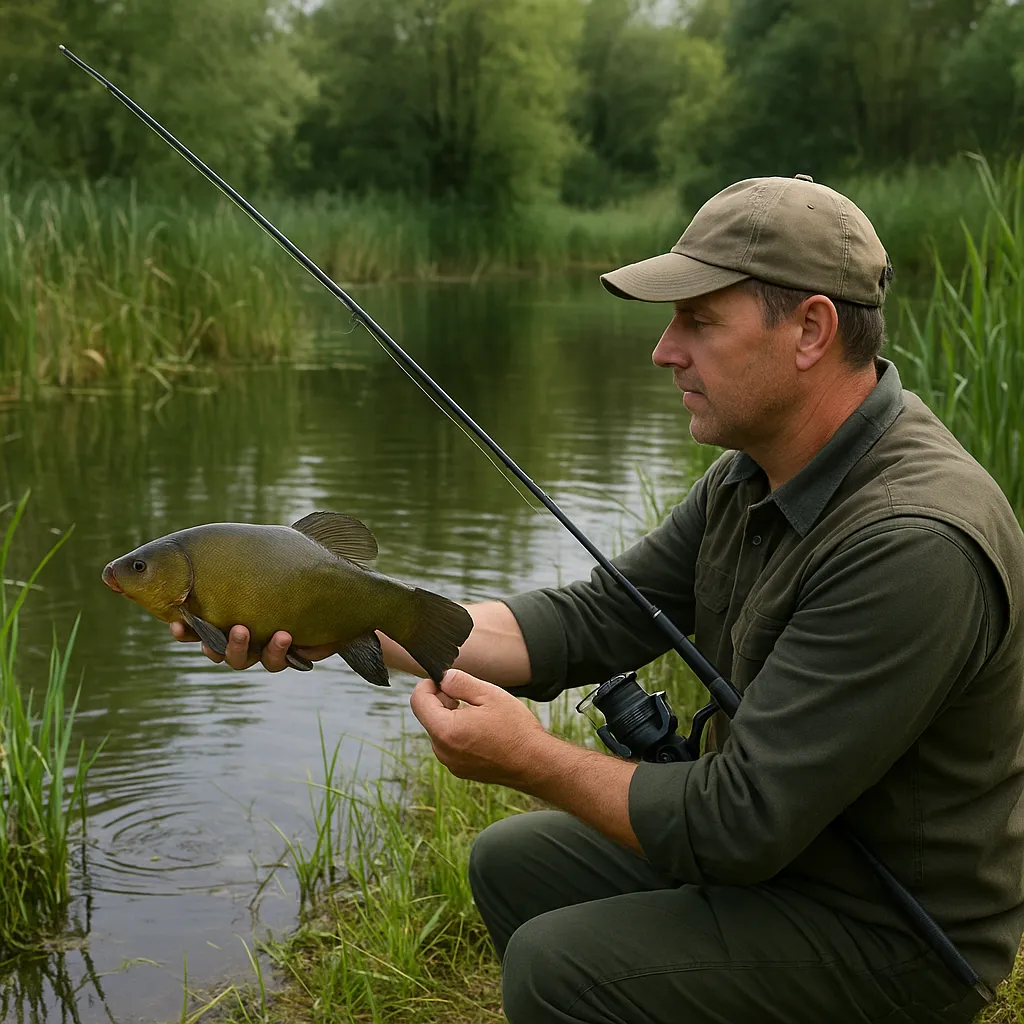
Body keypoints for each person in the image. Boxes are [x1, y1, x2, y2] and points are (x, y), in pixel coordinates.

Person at [173, 174, 1024, 1024]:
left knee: (556, 969)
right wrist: (353, 623)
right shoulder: (756, 472)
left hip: (894, 934)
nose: (664, 349)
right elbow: (595, 617)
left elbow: (739, 822)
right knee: (513, 864)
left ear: (810, 330)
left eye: (698, 319)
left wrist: (532, 758)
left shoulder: (913, 542)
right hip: (796, 855)